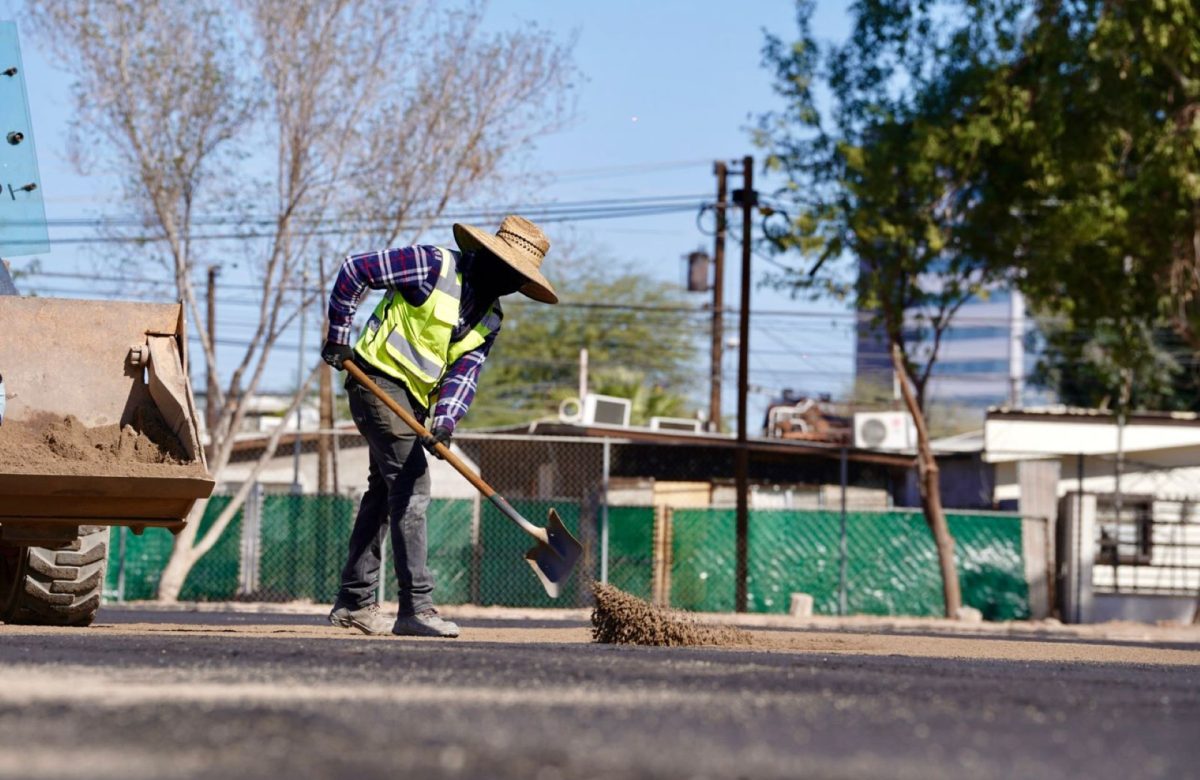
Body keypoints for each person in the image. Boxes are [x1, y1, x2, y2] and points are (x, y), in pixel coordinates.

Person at [320, 215, 557, 637]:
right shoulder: (432, 265)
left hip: (411, 400)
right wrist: (339, 335)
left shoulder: (490, 319)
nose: (508, 283)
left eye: (518, 279)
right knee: (411, 485)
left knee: (383, 493)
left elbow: (464, 375)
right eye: (507, 270)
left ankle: (354, 601)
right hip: (374, 379)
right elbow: (356, 269)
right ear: (486, 256)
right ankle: (417, 609)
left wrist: (445, 423)